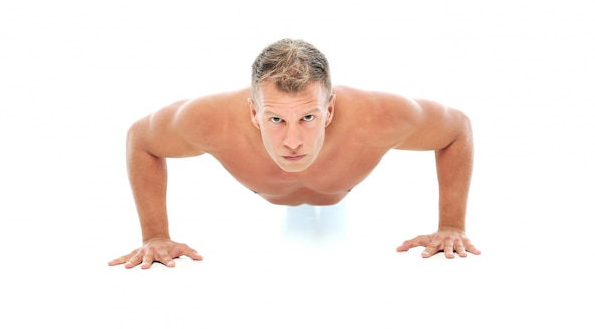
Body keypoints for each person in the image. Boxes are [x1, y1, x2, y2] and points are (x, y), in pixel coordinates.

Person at [109, 38, 481, 269]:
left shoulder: (379, 118)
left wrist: (451, 226)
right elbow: (140, 140)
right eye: (274, 118)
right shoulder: (209, 121)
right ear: (253, 111)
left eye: (307, 117)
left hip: (341, 209)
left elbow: (456, 129)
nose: (292, 141)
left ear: (330, 109)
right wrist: (155, 235)